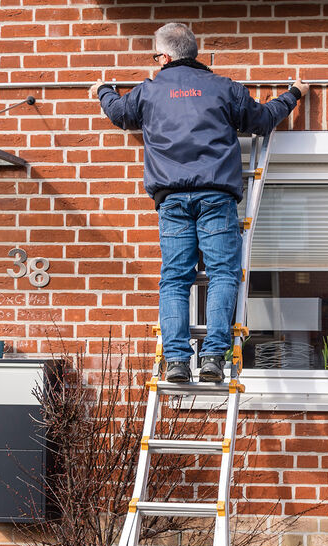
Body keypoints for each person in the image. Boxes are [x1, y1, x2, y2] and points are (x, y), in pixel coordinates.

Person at [90, 23, 309, 383]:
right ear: (195, 53)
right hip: (216, 197)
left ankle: (176, 361)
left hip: (172, 200)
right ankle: (213, 359)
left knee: (175, 279)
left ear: (163, 57)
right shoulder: (225, 88)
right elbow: (263, 121)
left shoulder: (149, 91)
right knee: (223, 274)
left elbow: (118, 114)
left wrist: (103, 90)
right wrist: (293, 94)